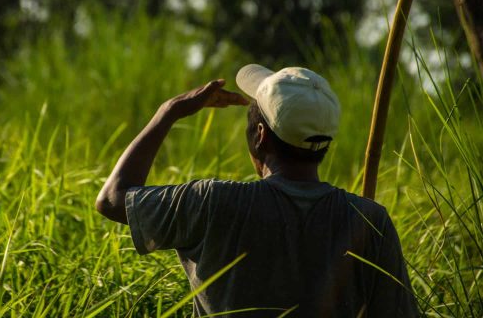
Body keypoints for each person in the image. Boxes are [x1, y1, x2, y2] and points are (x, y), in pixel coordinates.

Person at [96, 64, 418, 317]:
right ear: (323, 142)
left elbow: (112, 198)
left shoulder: (213, 204)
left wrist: (170, 110)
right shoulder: (369, 220)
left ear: (260, 135)